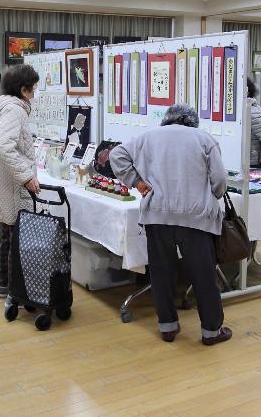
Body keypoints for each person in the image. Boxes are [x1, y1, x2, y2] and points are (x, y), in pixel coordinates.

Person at [110, 104, 232, 346]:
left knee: (161, 273)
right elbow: (219, 181)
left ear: (167, 120)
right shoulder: (204, 139)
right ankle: (211, 331)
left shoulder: (147, 137)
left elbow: (116, 156)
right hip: (195, 218)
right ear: (192, 122)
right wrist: (212, 195)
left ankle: (167, 326)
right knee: (204, 275)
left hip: (157, 215)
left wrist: (137, 182)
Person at [0, 64, 40, 299]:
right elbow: (3, 145)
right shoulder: (15, 110)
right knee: (16, 235)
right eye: (33, 88)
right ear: (24, 89)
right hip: (14, 184)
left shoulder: (4, 108)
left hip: (4, 181)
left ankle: (3, 284)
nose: (34, 93)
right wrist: (26, 175)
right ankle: (15, 289)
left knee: (9, 231)